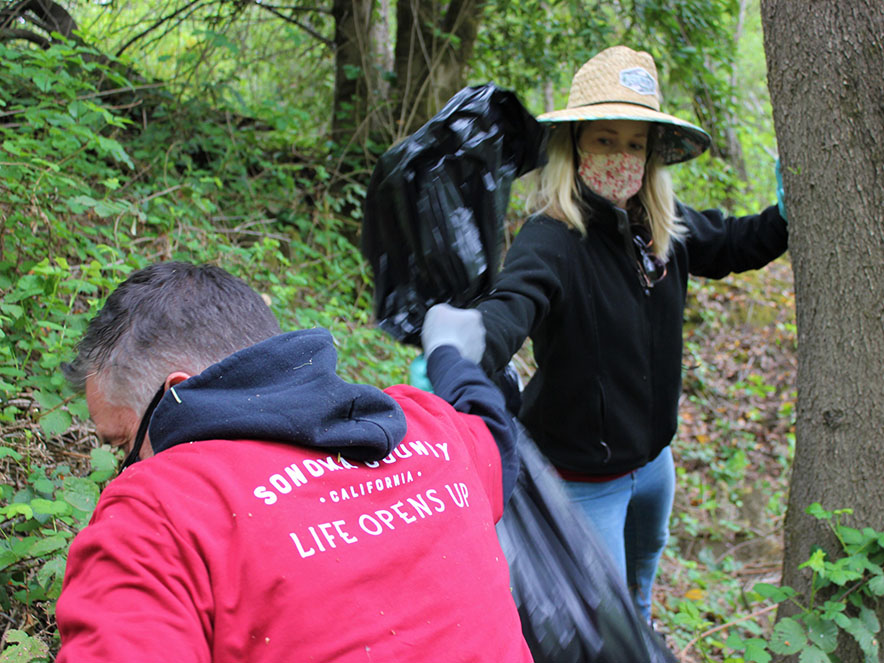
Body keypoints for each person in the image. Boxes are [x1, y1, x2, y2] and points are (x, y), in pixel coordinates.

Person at [437, 45, 789, 623]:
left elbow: (732, 245)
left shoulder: (662, 227)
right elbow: (514, 303)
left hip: (654, 464)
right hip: (582, 479)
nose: (621, 157)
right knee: (598, 622)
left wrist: (784, 215)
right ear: (575, 143)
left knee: (640, 583)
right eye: (605, 139)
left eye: (635, 144)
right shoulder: (550, 239)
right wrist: (470, 339)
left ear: (651, 154)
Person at [55, 261, 532, 662]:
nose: (125, 466)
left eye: (124, 444)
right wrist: (449, 355)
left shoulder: (156, 514)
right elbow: (493, 432)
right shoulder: (429, 429)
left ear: (177, 392)